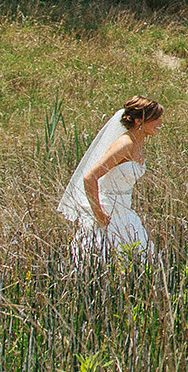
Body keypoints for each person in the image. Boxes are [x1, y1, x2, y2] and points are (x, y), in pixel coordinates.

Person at [57, 97, 164, 263]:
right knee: (106, 261)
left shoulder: (138, 142)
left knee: (139, 262)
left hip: (125, 214)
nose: (160, 122)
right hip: (108, 214)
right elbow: (90, 177)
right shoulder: (124, 144)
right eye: (155, 118)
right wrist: (98, 213)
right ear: (138, 121)